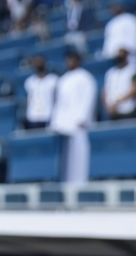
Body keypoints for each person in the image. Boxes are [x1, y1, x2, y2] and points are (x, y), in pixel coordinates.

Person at [50, 51, 97, 184]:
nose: (69, 62)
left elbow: (89, 98)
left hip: (79, 124)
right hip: (63, 123)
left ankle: (80, 183)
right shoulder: (63, 79)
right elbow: (59, 102)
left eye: (71, 59)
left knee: (80, 156)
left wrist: (83, 117)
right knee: (65, 159)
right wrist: (55, 122)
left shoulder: (86, 77)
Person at [101, 48, 136, 121]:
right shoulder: (110, 73)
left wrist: (119, 102)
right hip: (113, 111)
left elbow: (134, 89)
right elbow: (105, 91)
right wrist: (108, 106)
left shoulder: (132, 70)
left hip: (127, 110)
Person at [23, 56, 57, 129]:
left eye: (40, 61)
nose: (38, 64)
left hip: (49, 116)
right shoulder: (29, 81)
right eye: (36, 62)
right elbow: (27, 98)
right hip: (33, 118)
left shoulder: (53, 80)